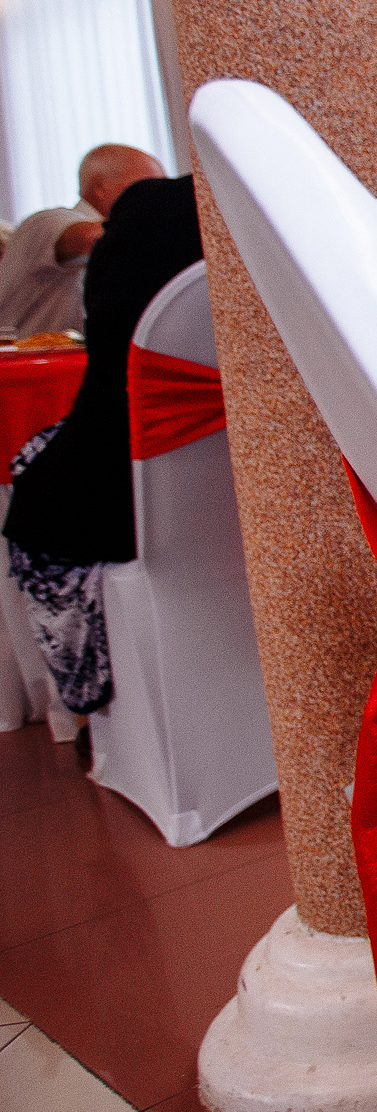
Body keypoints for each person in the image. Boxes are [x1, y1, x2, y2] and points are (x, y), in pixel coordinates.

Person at [1, 174, 203, 716]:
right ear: (103, 184)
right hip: (211, 511)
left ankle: (59, 704)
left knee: (34, 482)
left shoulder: (142, 231)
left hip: (113, 507)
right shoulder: (50, 223)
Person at [0, 144, 164, 336]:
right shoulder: (45, 223)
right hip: (30, 364)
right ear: (99, 188)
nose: (161, 196)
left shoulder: (139, 242)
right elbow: (91, 238)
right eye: (149, 186)